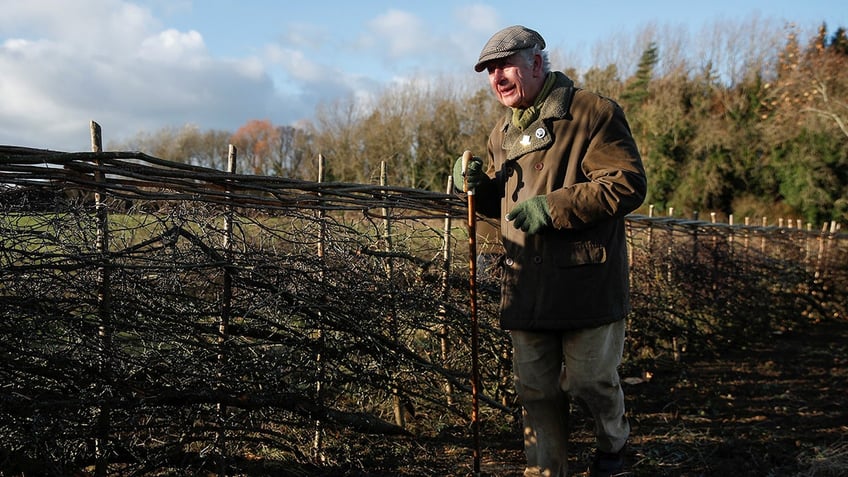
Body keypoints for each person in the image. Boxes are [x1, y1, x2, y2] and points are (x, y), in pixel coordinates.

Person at [453, 25, 647, 477]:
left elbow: (626, 184)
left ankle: (613, 446)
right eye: (488, 70)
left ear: (537, 63)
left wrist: (554, 207)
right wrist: (479, 191)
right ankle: (546, 471)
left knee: (588, 380)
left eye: (504, 66)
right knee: (535, 390)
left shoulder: (591, 112)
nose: (496, 77)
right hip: (526, 283)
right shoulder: (501, 132)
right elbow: (503, 205)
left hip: (584, 278)